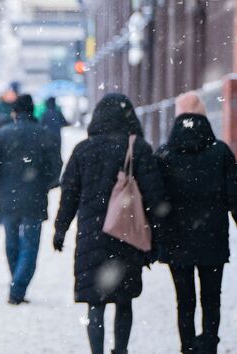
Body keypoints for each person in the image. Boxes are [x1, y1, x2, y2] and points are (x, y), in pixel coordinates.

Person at [52, 93, 166, 354]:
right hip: (127, 235)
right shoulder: (137, 148)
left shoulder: (83, 150)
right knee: (124, 301)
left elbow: (69, 194)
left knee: (95, 302)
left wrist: (61, 229)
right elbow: (155, 196)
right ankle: (121, 350)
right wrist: (157, 238)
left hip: (92, 236)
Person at [155, 92, 237, 354]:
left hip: (177, 239)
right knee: (212, 298)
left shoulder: (165, 154)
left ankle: (188, 347)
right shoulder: (220, 152)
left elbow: (156, 200)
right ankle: (209, 344)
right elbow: (234, 196)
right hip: (212, 237)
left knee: (184, 299)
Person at [0, 94, 62, 304]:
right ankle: (18, 286)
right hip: (34, 200)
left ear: (14, 112)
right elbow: (55, 168)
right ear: (32, 111)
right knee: (30, 246)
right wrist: (44, 185)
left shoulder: (2, 135)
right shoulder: (44, 134)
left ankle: (16, 282)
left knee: (12, 242)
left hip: (7, 200)